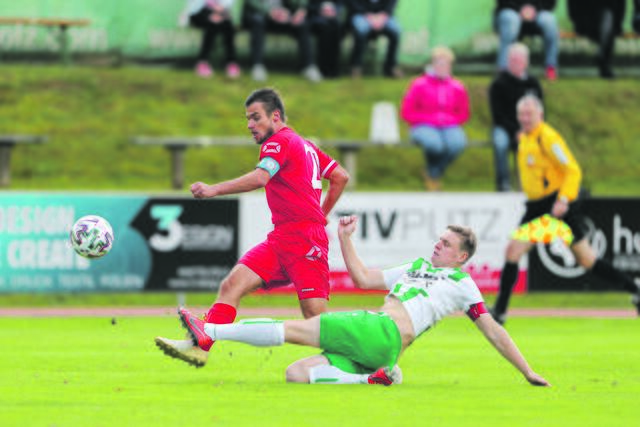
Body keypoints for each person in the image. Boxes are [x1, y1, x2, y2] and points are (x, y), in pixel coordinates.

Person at [178, 216, 550, 387]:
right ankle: (373, 377)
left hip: (383, 330)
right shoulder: (416, 267)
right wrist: (345, 239)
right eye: (440, 239)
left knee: (293, 329)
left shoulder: (462, 283)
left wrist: (527, 371)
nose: (439, 244)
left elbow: (493, 330)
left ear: (461, 257)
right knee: (296, 374)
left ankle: (210, 330)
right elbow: (364, 279)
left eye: (448, 244)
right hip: (378, 347)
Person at [155, 88, 350, 367]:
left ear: (276, 116)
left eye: (255, 118)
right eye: (247, 119)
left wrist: (213, 190)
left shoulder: (278, 142)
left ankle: (363, 363)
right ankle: (201, 346)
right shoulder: (303, 144)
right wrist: (321, 213)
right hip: (283, 237)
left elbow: (261, 178)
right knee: (232, 284)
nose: (250, 125)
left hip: (305, 240)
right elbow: (340, 177)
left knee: (315, 318)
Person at [491, 95, 640, 325]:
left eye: (529, 113)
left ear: (540, 114)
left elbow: (573, 170)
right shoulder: (524, 138)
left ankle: (500, 312)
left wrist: (562, 200)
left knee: (517, 251)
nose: (525, 118)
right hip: (536, 207)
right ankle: (635, 288)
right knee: (586, 260)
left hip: (554, 206)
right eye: (522, 114)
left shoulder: (548, 137)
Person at [400, 46, 470, 192]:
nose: (442, 67)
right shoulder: (419, 84)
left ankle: (433, 173)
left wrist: (447, 120)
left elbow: (463, 113)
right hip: (423, 125)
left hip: (448, 125)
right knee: (434, 144)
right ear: (432, 65)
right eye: (439, 64)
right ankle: (433, 176)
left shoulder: (457, 86)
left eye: (446, 64)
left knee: (457, 143)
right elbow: (406, 112)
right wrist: (430, 119)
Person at [489, 43, 543, 192]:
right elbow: (498, 115)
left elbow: (540, 111)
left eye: (519, 60)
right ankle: (503, 184)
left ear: (526, 62)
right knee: (500, 143)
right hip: (505, 127)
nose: (515, 63)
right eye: (512, 60)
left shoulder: (533, 83)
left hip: (528, 128)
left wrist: (528, 130)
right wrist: (515, 131)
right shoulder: (499, 84)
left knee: (542, 142)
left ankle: (532, 184)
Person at [242, 0, 323, 82]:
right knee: (257, 21)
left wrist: (299, 11)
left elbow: (300, 3)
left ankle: (309, 66)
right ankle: (257, 66)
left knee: (302, 24)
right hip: (263, 14)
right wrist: (270, 12)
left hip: (285, 14)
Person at [494, 0, 559, 80]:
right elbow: (502, 2)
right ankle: (503, 69)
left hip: (538, 12)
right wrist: (520, 9)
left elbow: (550, 3)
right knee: (511, 20)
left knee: (549, 21)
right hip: (510, 11)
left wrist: (534, 10)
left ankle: (550, 66)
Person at [567, 0, 626, 79]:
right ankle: (603, 60)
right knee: (607, 28)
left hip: (603, 16)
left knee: (607, 28)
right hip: (586, 15)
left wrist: (618, 24)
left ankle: (602, 59)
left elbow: (620, 5)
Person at [182, 0, 241, 79]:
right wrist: (213, 10)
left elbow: (228, 2)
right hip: (198, 12)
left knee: (228, 25)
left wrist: (221, 9)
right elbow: (194, 5)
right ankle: (202, 61)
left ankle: (231, 62)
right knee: (212, 23)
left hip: (220, 12)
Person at [345, 0, 402, 78]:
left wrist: (383, 16)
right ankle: (356, 67)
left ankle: (391, 67)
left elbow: (391, 3)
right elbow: (352, 4)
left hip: (383, 16)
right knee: (361, 30)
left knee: (396, 30)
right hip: (361, 14)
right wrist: (369, 16)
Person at [308, 0, 345, 78]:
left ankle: (334, 68)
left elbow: (341, 3)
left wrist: (334, 11)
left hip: (334, 16)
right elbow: (310, 5)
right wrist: (321, 10)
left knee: (337, 27)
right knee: (324, 28)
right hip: (316, 16)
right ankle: (323, 68)